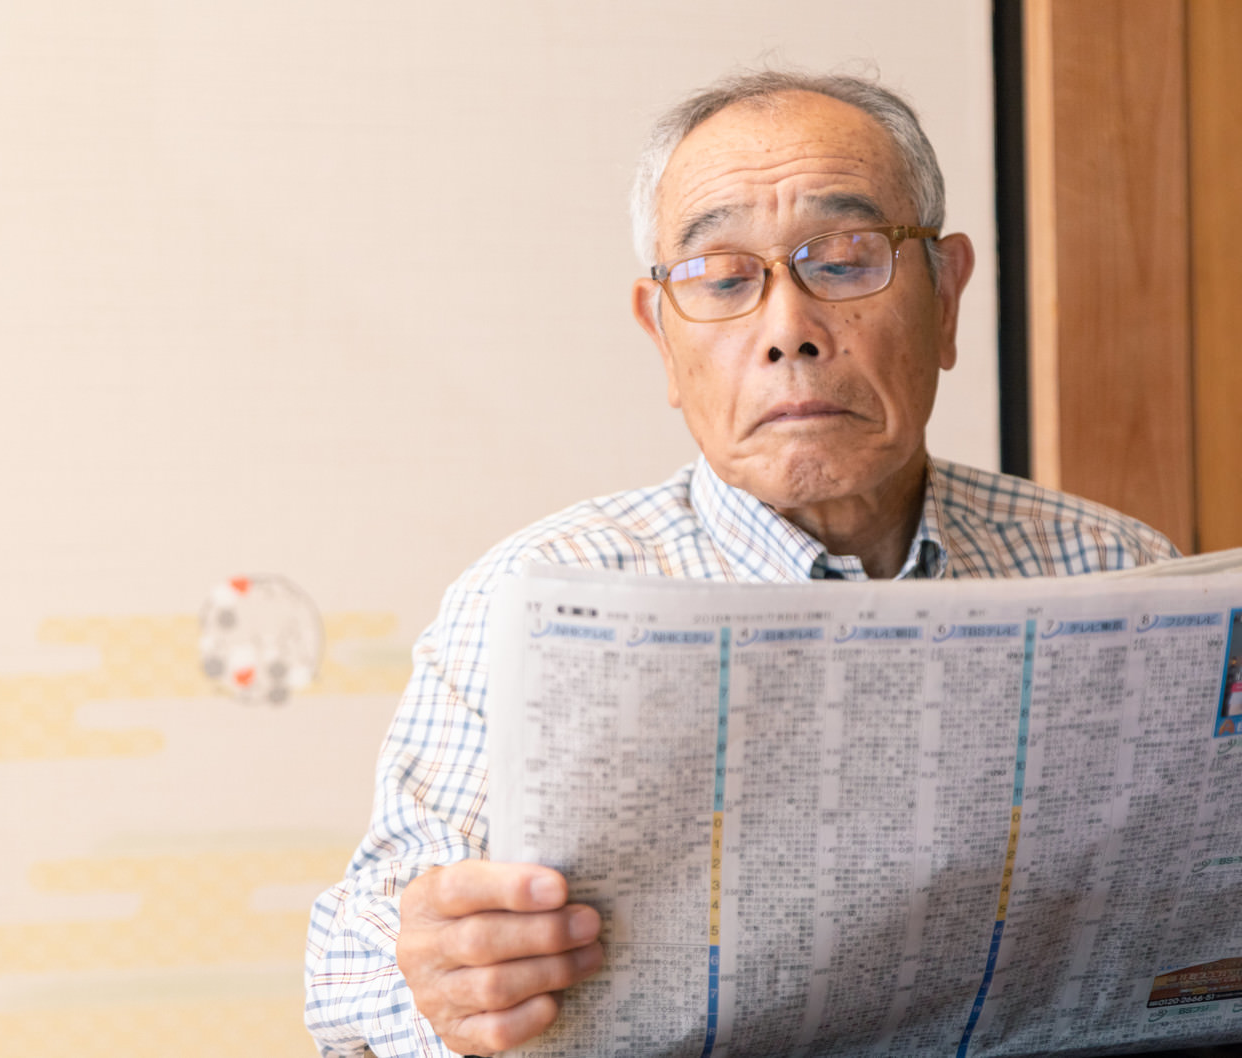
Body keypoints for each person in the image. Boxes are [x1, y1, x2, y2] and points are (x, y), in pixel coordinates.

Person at [304, 69, 1178, 1058]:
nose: (788, 330)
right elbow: (353, 967)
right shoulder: (531, 596)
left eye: (844, 260)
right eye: (723, 280)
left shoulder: (1109, 569)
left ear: (945, 296)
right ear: (661, 335)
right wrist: (438, 977)